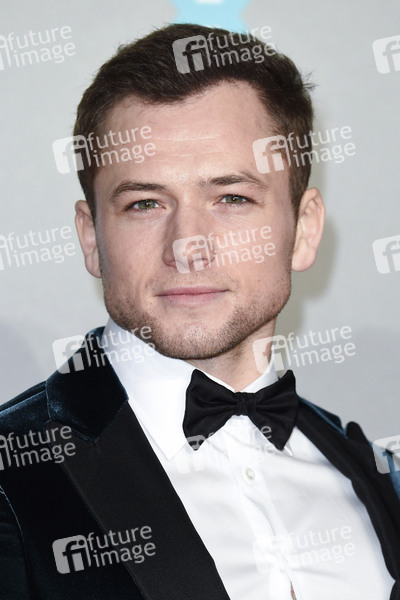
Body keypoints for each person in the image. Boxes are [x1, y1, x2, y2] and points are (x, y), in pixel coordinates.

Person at [0, 23, 399, 600]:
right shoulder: (12, 476)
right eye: (145, 203)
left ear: (304, 230)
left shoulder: (375, 473)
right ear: (91, 238)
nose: (187, 246)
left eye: (232, 198)